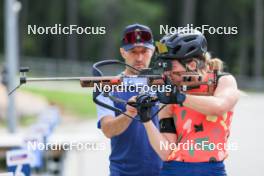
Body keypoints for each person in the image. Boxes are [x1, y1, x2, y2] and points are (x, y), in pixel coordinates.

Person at [135, 29, 240, 176]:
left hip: (212, 170)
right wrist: (146, 120)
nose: (166, 73)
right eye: (163, 66)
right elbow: (166, 152)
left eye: (171, 66)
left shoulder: (223, 81)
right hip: (173, 170)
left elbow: (219, 107)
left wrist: (180, 97)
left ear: (191, 64)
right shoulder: (171, 91)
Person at [95, 23, 162, 176]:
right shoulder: (108, 86)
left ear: (153, 51)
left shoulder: (165, 82)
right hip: (123, 171)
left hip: (164, 169)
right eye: (133, 52)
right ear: (123, 53)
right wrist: (129, 112)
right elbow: (108, 130)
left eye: (144, 51)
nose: (139, 58)